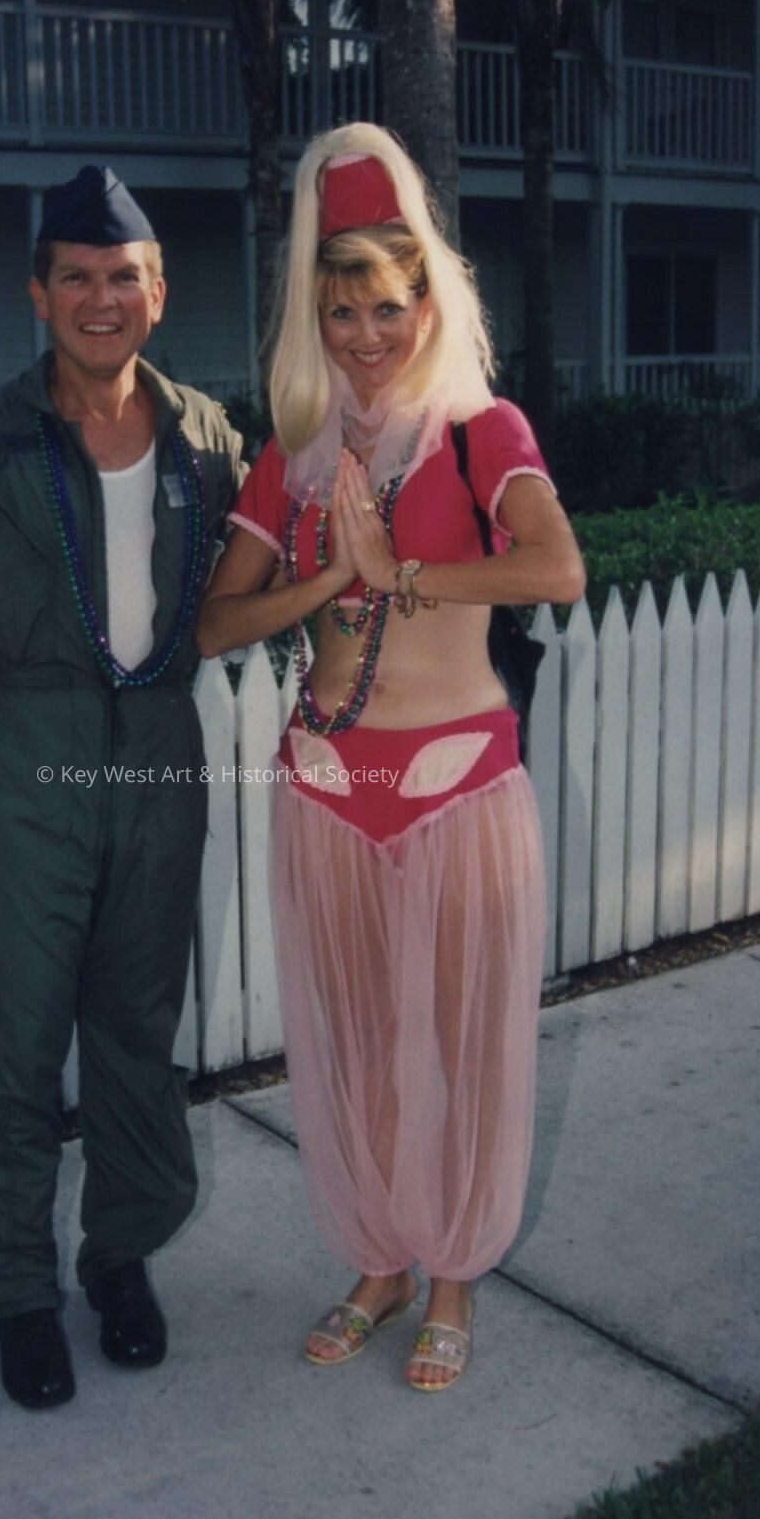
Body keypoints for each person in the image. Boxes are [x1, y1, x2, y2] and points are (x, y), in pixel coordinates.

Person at [196, 124, 585, 1390]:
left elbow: (556, 569)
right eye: (338, 309)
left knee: (462, 1046)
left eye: (385, 305)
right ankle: (379, 1261)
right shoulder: (294, 455)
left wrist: (400, 571)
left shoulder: (480, 431)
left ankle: (454, 1272)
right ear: (311, 318)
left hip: (455, 783)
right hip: (325, 786)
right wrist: (326, 582)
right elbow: (214, 625)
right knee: (356, 1045)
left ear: (428, 301)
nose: (364, 334)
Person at [0, 165, 243, 1410]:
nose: (101, 299)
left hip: (159, 754)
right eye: (76, 278)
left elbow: (244, 595)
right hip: (23, 755)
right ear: (39, 294)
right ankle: (18, 1294)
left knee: (137, 1029)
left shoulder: (208, 438)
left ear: (158, 292)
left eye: (123, 278)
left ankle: (120, 1258)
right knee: (10, 1040)